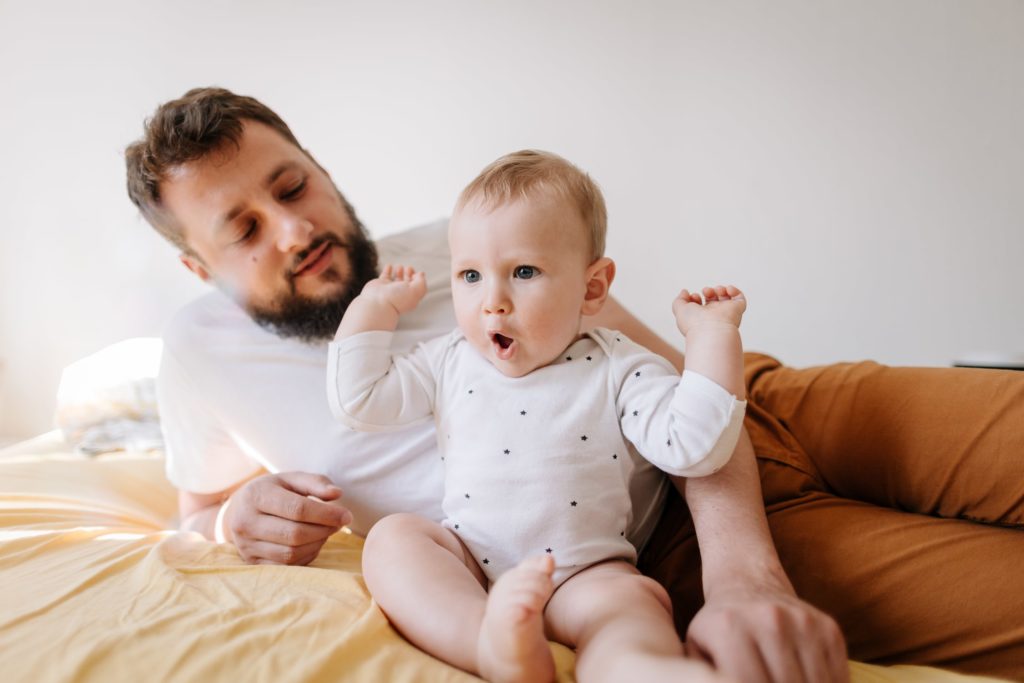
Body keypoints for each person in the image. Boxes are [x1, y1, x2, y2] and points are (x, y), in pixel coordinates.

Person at [124, 87, 1024, 681]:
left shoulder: (459, 237)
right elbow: (194, 511)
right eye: (244, 228)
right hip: (639, 543)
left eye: (293, 186)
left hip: (747, 406)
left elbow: (660, 370)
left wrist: (747, 577)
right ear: (199, 266)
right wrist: (231, 518)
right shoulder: (198, 354)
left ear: (322, 169)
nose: (292, 229)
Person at [327, 149, 751, 682]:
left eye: (523, 271)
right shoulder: (448, 360)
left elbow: (696, 447)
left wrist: (712, 338)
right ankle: (485, 642)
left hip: (587, 574)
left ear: (592, 287)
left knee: (632, 609)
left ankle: (644, 668)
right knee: (393, 540)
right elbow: (360, 402)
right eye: (470, 275)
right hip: (470, 563)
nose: (492, 301)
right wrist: (374, 308)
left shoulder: (621, 366)